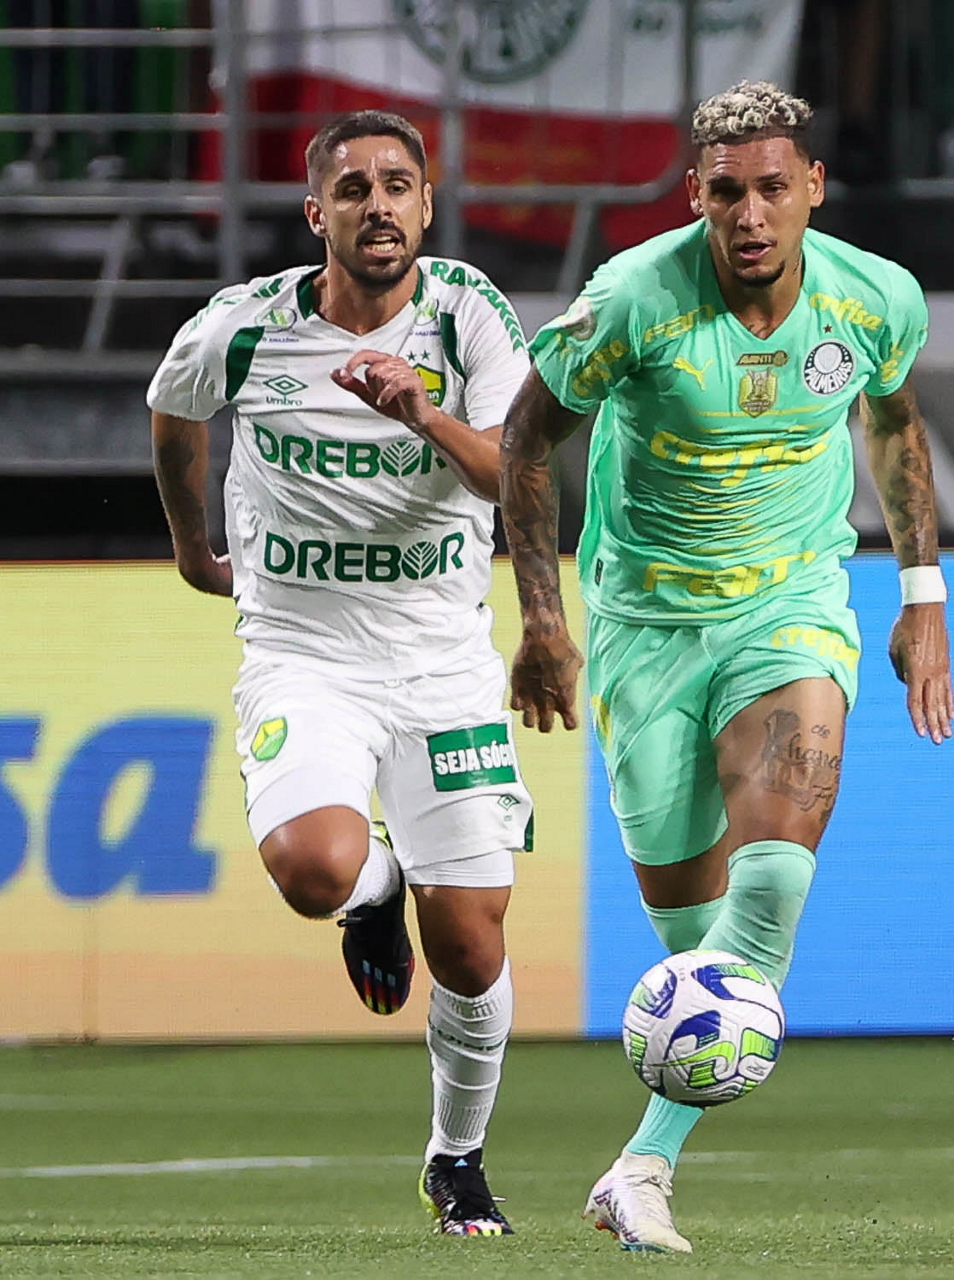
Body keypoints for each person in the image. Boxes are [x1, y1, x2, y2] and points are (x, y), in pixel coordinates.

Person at [499, 80, 954, 1253]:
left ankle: (643, 1164)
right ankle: (640, 1161)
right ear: (693, 196)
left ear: (814, 188)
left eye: (771, 189)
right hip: (645, 626)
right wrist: (544, 619)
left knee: (774, 887)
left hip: (791, 607)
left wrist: (922, 595)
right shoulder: (631, 302)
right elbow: (524, 437)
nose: (749, 216)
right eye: (724, 193)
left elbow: (893, 421)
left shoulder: (872, 298)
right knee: (697, 940)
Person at [148, 109, 532, 1238]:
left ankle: (457, 1158)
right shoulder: (246, 327)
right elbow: (173, 411)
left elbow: (514, 474)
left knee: (470, 944)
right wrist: (192, 548)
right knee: (317, 868)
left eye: (398, 185)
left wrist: (419, 409)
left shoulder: (469, 316)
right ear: (316, 212)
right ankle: (370, 894)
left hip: (441, 661)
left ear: (428, 203)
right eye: (354, 188)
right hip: (304, 652)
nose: (379, 205)